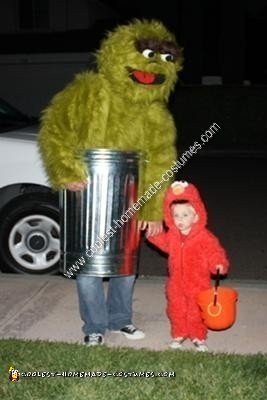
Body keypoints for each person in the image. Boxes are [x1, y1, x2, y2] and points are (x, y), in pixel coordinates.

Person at [38, 19, 183, 345]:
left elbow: (160, 162)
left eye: (165, 58)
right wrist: (66, 171)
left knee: (126, 265)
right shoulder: (88, 91)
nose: (153, 66)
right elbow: (55, 130)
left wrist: (152, 209)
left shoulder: (156, 113)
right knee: (88, 266)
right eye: (147, 54)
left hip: (129, 198)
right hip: (87, 194)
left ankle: (121, 320)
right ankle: (94, 327)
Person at [147, 181, 229, 351]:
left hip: (198, 283)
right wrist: (152, 234)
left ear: (196, 216)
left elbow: (215, 252)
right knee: (176, 308)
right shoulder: (173, 236)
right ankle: (179, 333)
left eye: (185, 215)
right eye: (176, 216)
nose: (180, 220)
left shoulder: (205, 237)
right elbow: (162, 241)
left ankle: (198, 336)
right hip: (176, 282)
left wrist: (218, 264)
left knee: (196, 310)